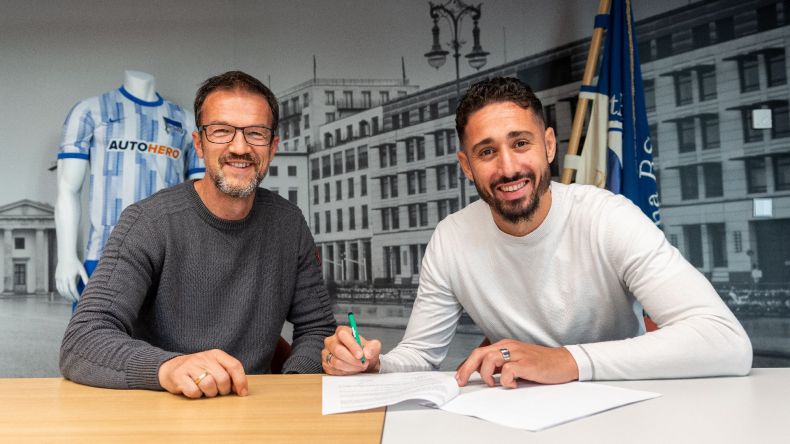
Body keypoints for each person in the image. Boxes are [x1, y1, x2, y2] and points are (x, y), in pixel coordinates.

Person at [322, 77, 752, 388]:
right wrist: (373, 366)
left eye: (520, 143)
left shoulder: (608, 217)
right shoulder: (451, 238)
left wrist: (565, 361)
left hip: (626, 406)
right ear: (466, 166)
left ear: (548, 145)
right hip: (519, 413)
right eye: (486, 152)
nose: (508, 167)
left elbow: (726, 341)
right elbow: (419, 355)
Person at [60, 71, 337, 398]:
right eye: (221, 131)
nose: (240, 147)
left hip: (254, 411)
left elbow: (318, 329)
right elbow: (82, 340)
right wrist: (168, 368)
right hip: (163, 409)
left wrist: (293, 384)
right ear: (199, 144)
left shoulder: (288, 223)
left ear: (273, 147)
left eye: (256, 133)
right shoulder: (147, 222)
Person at [55, 70, 205, 304]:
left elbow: (201, 197)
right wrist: (66, 256)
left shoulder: (186, 121)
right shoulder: (90, 111)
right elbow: (67, 189)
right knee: (94, 328)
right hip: (105, 255)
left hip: (167, 263)